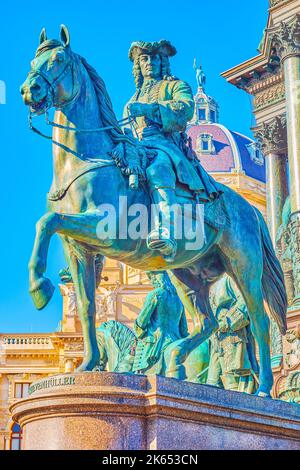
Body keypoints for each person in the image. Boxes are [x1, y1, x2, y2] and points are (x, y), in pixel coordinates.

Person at [124, 40, 221, 260]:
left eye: (154, 58)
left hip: (163, 144)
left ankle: (166, 229)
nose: (149, 63)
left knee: (157, 168)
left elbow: (185, 108)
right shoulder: (133, 97)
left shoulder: (176, 86)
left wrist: (149, 109)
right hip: (135, 147)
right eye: (144, 59)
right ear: (138, 65)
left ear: (162, 62)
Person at [207, 274, 259, 394]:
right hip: (216, 339)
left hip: (232, 337)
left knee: (234, 383)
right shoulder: (209, 283)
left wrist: (228, 321)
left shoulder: (230, 278)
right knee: (211, 385)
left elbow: (246, 300)